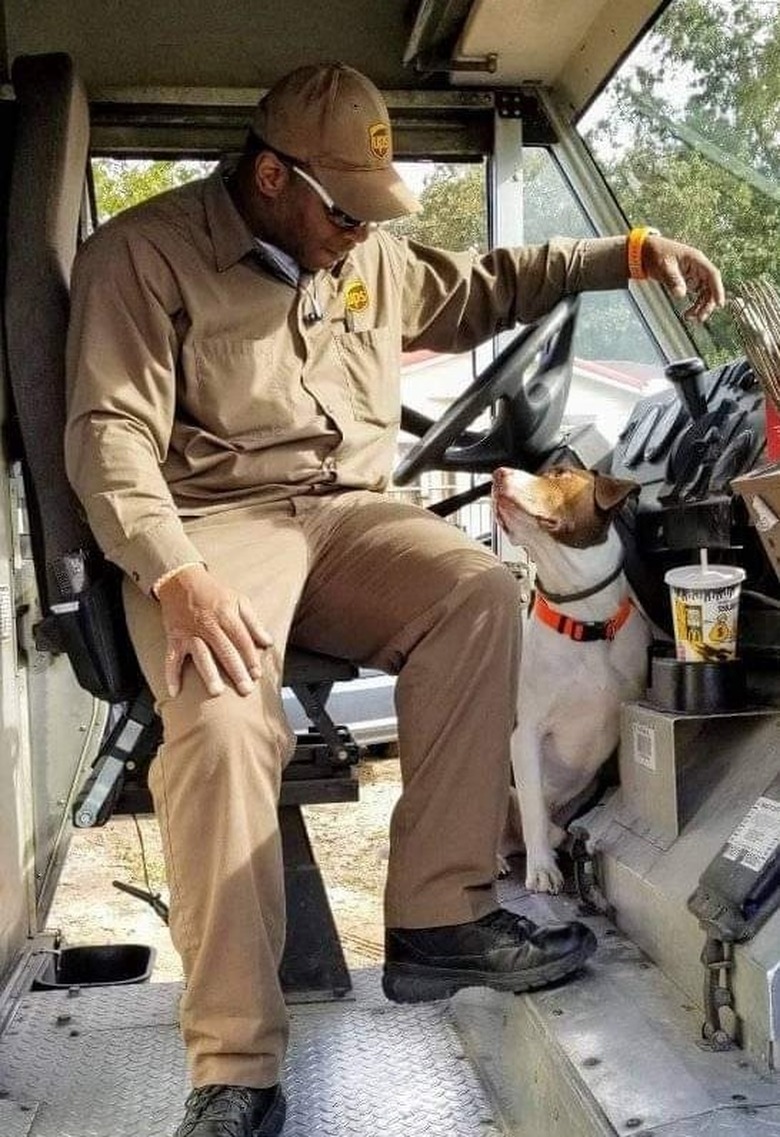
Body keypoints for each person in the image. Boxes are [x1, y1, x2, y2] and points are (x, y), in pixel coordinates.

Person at [64, 61, 724, 1137]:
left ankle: (438, 919)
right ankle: (235, 1066)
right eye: (343, 210)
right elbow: (111, 437)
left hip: (348, 518)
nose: (358, 235)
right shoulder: (144, 258)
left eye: (373, 213)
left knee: (474, 588)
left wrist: (633, 253)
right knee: (227, 726)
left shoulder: (367, 255)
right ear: (272, 178)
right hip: (208, 527)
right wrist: (173, 573)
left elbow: (495, 280)